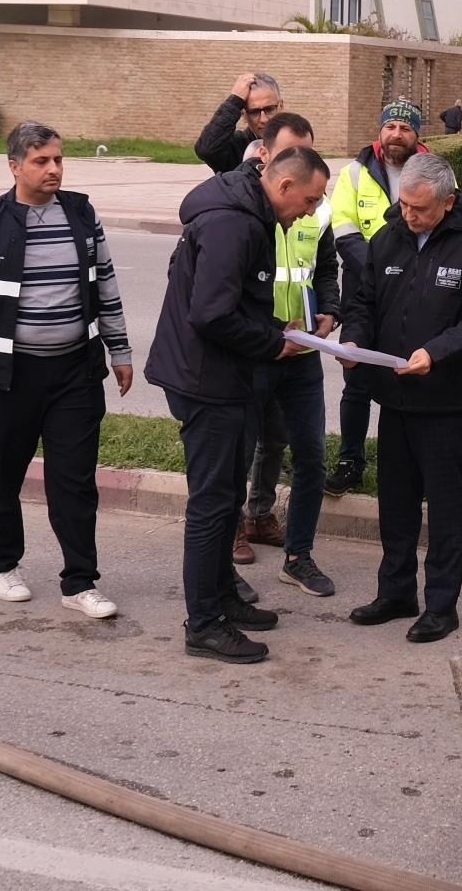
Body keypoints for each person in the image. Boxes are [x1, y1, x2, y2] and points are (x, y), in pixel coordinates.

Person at [0, 121, 135, 620]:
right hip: (7, 377)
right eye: (41, 161)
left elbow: (106, 285)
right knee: (2, 475)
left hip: (74, 373)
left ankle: (80, 582)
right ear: (14, 166)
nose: (54, 169)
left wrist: (119, 350)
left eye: (58, 159)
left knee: (75, 481)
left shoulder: (82, 214)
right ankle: (1, 566)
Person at [146, 146, 331, 664]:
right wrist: (272, 343)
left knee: (227, 497)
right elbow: (211, 314)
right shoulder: (237, 222)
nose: (310, 213)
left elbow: (231, 302)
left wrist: (273, 329)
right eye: (310, 200)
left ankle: (224, 597)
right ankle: (204, 624)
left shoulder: (246, 208)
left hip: (218, 372)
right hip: (205, 378)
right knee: (211, 504)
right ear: (285, 185)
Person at [340, 153, 462, 643]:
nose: (408, 215)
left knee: (445, 505)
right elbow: (363, 301)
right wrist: (353, 340)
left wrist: (435, 353)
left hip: (446, 399)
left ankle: (440, 605)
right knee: (395, 501)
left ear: (448, 202)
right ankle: (395, 592)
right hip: (393, 394)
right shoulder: (386, 237)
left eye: (420, 208)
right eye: (404, 205)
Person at [193, 111, 341, 596]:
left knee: (311, 457)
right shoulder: (241, 209)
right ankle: (227, 555)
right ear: (266, 156)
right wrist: (270, 338)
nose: (300, 161)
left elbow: (325, 268)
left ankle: (299, 557)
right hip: (254, 352)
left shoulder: (316, 208)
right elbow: (217, 300)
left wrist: (329, 309)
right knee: (236, 460)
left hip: (302, 352)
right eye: (289, 153)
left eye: (307, 152)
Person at [324, 98, 431, 496]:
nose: (396, 134)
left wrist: (403, 271)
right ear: (380, 131)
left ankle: (409, 465)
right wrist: (381, 268)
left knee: (410, 380)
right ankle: (350, 461)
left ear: (417, 135)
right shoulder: (354, 173)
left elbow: (439, 227)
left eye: (405, 128)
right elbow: (343, 227)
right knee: (357, 382)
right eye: (390, 126)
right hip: (363, 293)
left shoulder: (434, 171)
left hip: (416, 293)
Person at [194, 73, 283, 175]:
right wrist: (235, 101)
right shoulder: (235, 147)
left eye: (270, 109)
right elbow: (206, 150)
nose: (264, 119)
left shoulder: (295, 140)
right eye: (254, 112)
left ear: (281, 106)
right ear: (243, 115)